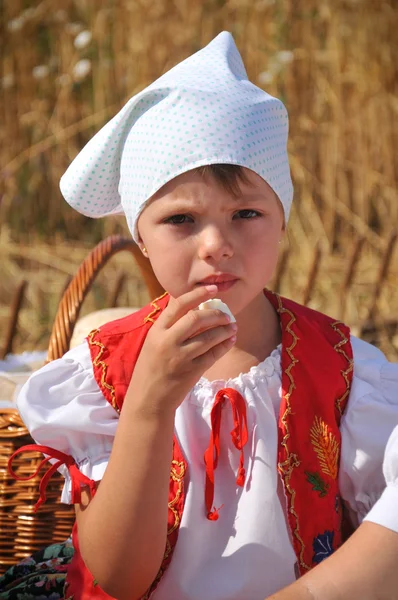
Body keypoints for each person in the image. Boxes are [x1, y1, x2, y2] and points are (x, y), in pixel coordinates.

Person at [5, 32, 398, 600]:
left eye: (246, 212)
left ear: (283, 221)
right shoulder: (102, 373)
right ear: (140, 236)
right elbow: (116, 574)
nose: (216, 243)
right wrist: (149, 406)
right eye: (182, 220)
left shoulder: (341, 367)